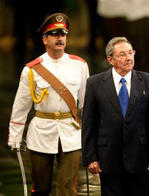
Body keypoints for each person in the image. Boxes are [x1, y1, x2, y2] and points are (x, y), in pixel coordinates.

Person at [7, 13, 89, 196]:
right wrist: (15, 136)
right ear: (45, 39)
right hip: (41, 133)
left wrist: (91, 136)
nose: (60, 38)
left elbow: (86, 105)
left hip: (71, 133)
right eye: (54, 34)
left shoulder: (80, 66)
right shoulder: (31, 69)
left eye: (63, 34)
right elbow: (21, 106)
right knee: (40, 189)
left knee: (68, 189)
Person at [82, 37, 149, 196]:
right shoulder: (95, 83)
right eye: (122, 55)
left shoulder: (147, 81)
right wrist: (90, 158)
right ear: (110, 59)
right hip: (108, 157)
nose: (128, 58)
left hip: (140, 157)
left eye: (130, 53)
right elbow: (89, 123)